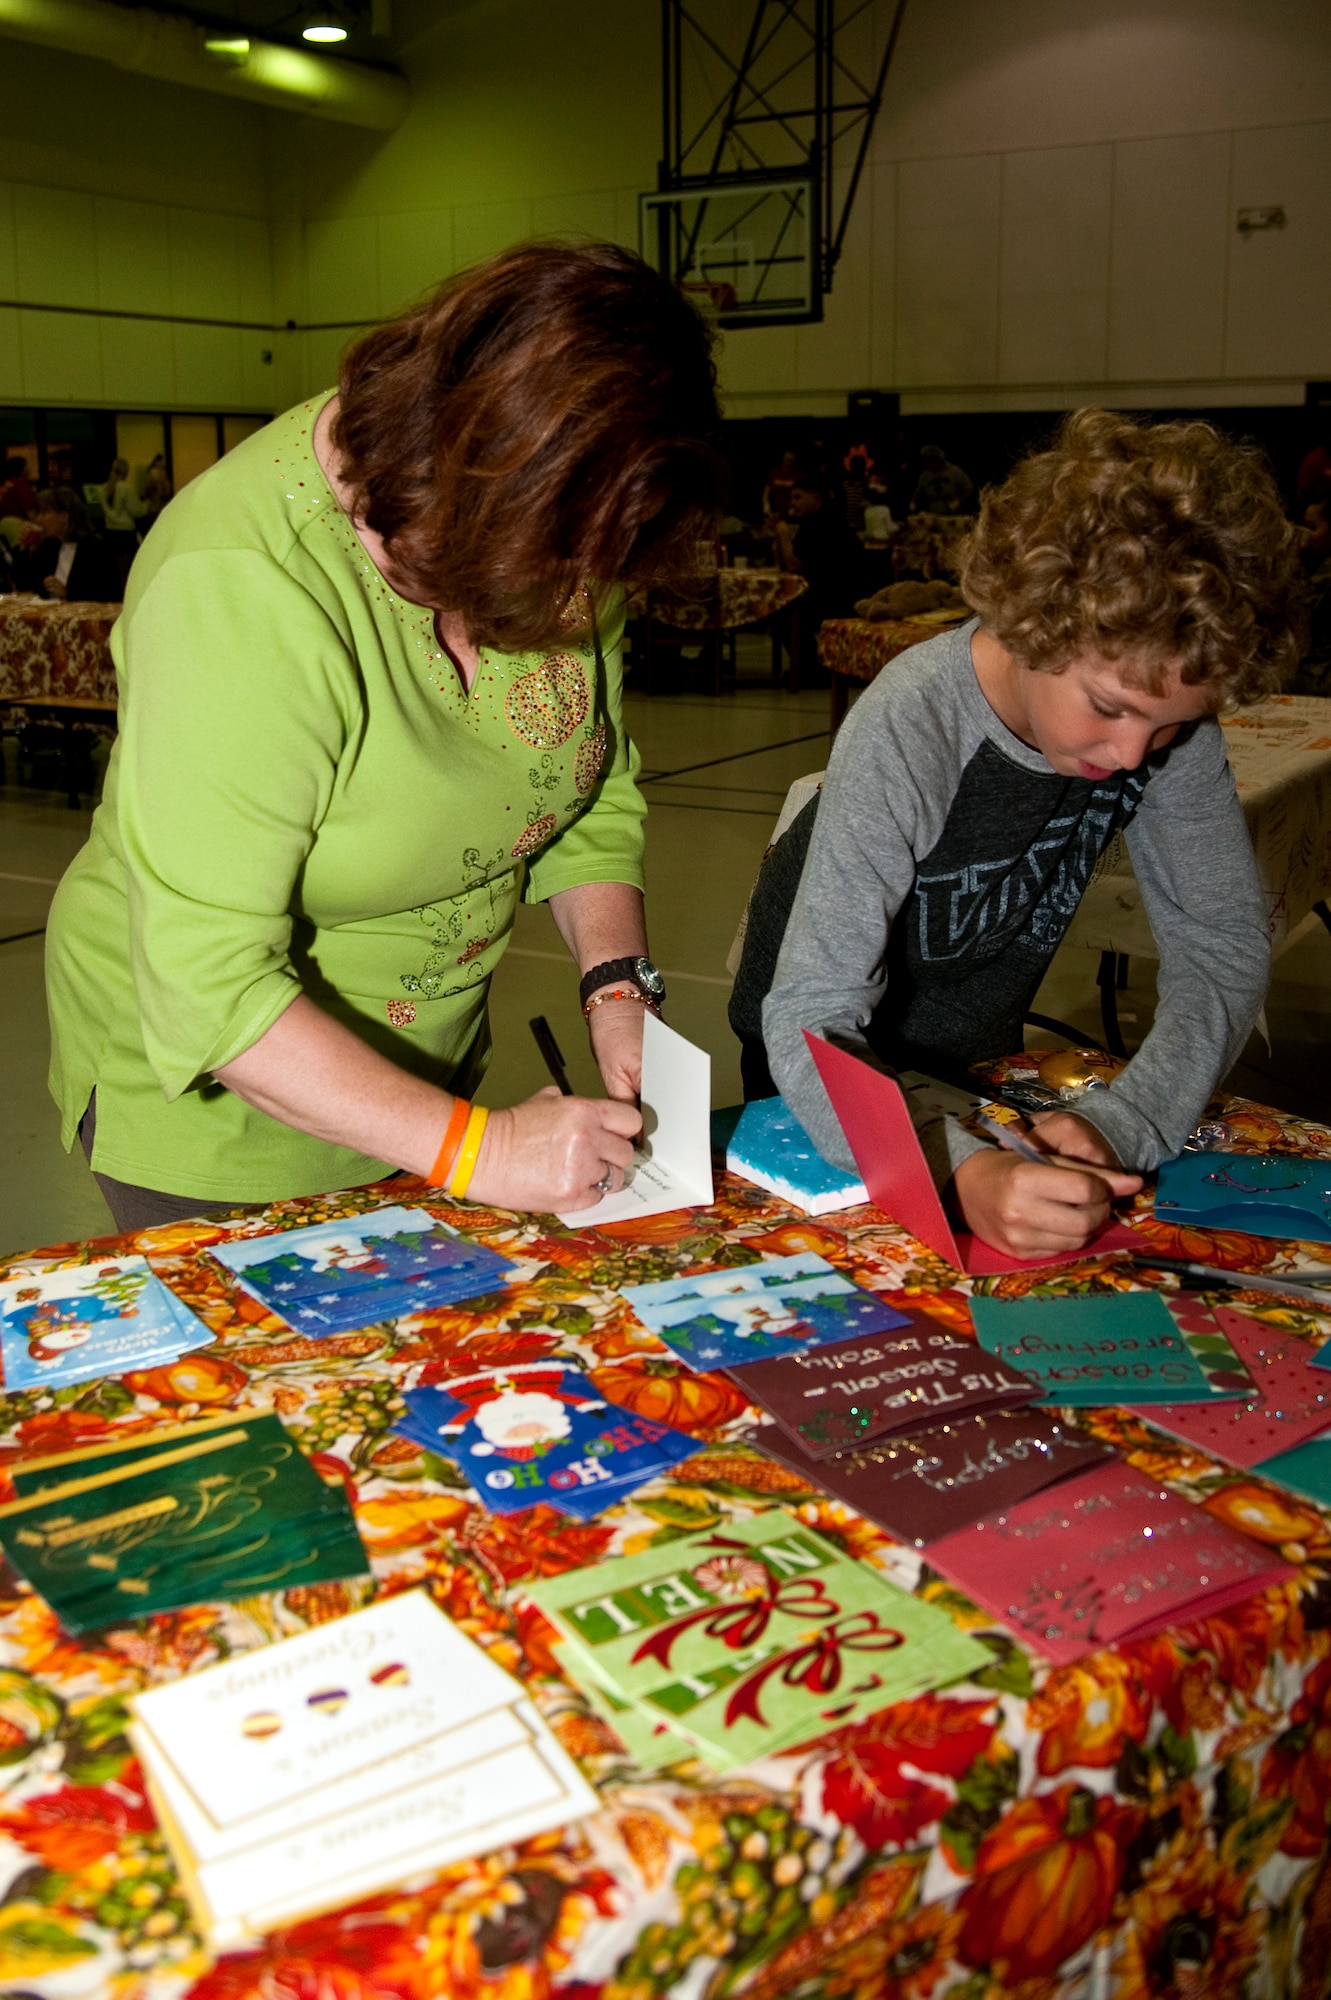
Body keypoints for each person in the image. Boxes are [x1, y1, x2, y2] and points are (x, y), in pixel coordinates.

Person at [46, 242, 724, 1231]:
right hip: (221, 1113)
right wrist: (479, 1147)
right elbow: (210, 987)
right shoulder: (240, 587)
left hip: (431, 1080)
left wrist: (615, 980)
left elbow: (588, 788)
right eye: (551, 573)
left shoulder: (566, 520)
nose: (578, 604)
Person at [731, 409, 1303, 1259]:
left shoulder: (1159, 725)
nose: (1130, 755)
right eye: (1108, 708)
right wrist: (951, 1169)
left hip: (978, 1056)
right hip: (821, 1065)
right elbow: (813, 1013)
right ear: (1032, 620)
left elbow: (1219, 948)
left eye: (1169, 729)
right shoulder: (913, 716)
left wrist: (1124, 1121)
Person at [16, 489, 121, 602]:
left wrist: (67, 594)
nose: (38, 519)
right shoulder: (49, 546)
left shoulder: (97, 550)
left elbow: (108, 595)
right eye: (39, 513)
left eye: (45, 513)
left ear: (65, 516)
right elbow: (24, 586)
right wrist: (24, 549)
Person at [100, 457, 148, 587]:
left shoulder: (104, 489)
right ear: (125, 472)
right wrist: (146, 504)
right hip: (126, 535)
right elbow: (137, 511)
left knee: (115, 571)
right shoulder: (127, 488)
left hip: (110, 533)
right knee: (130, 571)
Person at [910, 443, 975, 516]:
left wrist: (958, 500)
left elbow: (969, 489)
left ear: (938, 459)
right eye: (925, 461)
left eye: (929, 461)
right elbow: (917, 492)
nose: (927, 464)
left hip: (954, 517)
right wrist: (913, 502)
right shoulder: (925, 475)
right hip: (934, 517)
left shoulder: (955, 471)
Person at [0, 455, 37, 521]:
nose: (29, 470)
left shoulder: (5, 484)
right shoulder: (21, 485)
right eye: (26, 467)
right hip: (20, 524)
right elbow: (30, 509)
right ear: (21, 470)